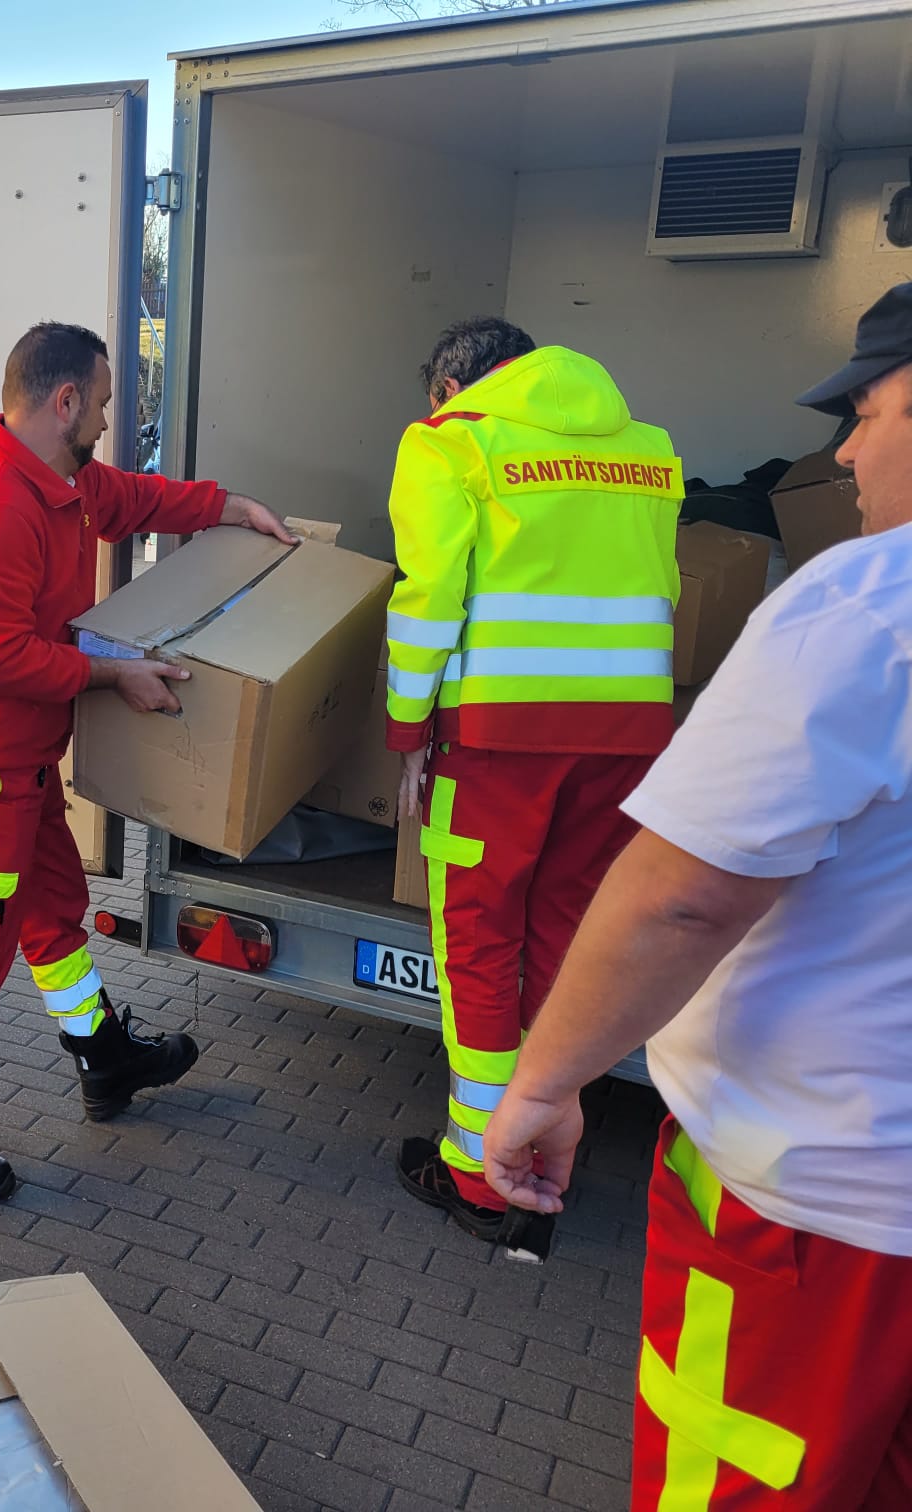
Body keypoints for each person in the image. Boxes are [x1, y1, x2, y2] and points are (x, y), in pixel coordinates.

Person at [483, 281, 912, 1508]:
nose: (842, 450)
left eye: (868, 411)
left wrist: (545, 1082)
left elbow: (681, 900)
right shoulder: (646, 454)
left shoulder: (862, 612)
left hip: (813, 1204)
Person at [0, 321, 293, 1203]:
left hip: (16, 762)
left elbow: (138, 499)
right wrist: (114, 678)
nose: (108, 419)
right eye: (102, 403)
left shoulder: (65, 482)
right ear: (64, 402)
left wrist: (231, 508)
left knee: (55, 904)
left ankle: (100, 1055)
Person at [383, 318, 682, 1261]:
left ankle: (479, 1172)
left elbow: (427, 600)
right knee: (562, 933)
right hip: (626, 735)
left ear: (452, 385)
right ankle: (545, 1128)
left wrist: (406, 732)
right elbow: (662, 588)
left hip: (500, 739)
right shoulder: (647, 451)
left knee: (477, 936)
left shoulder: (453, 441)